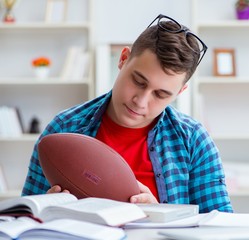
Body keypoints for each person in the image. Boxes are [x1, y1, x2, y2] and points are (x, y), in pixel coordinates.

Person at [22, 14, 233, 213]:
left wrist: (160, 216)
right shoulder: (63, 128)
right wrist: (47, 213)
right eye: (138, 81)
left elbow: (220, 227)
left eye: (160, 94)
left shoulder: (194, 140)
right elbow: (24, 222)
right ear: (123, 59)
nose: (141, 101)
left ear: (179, 92)